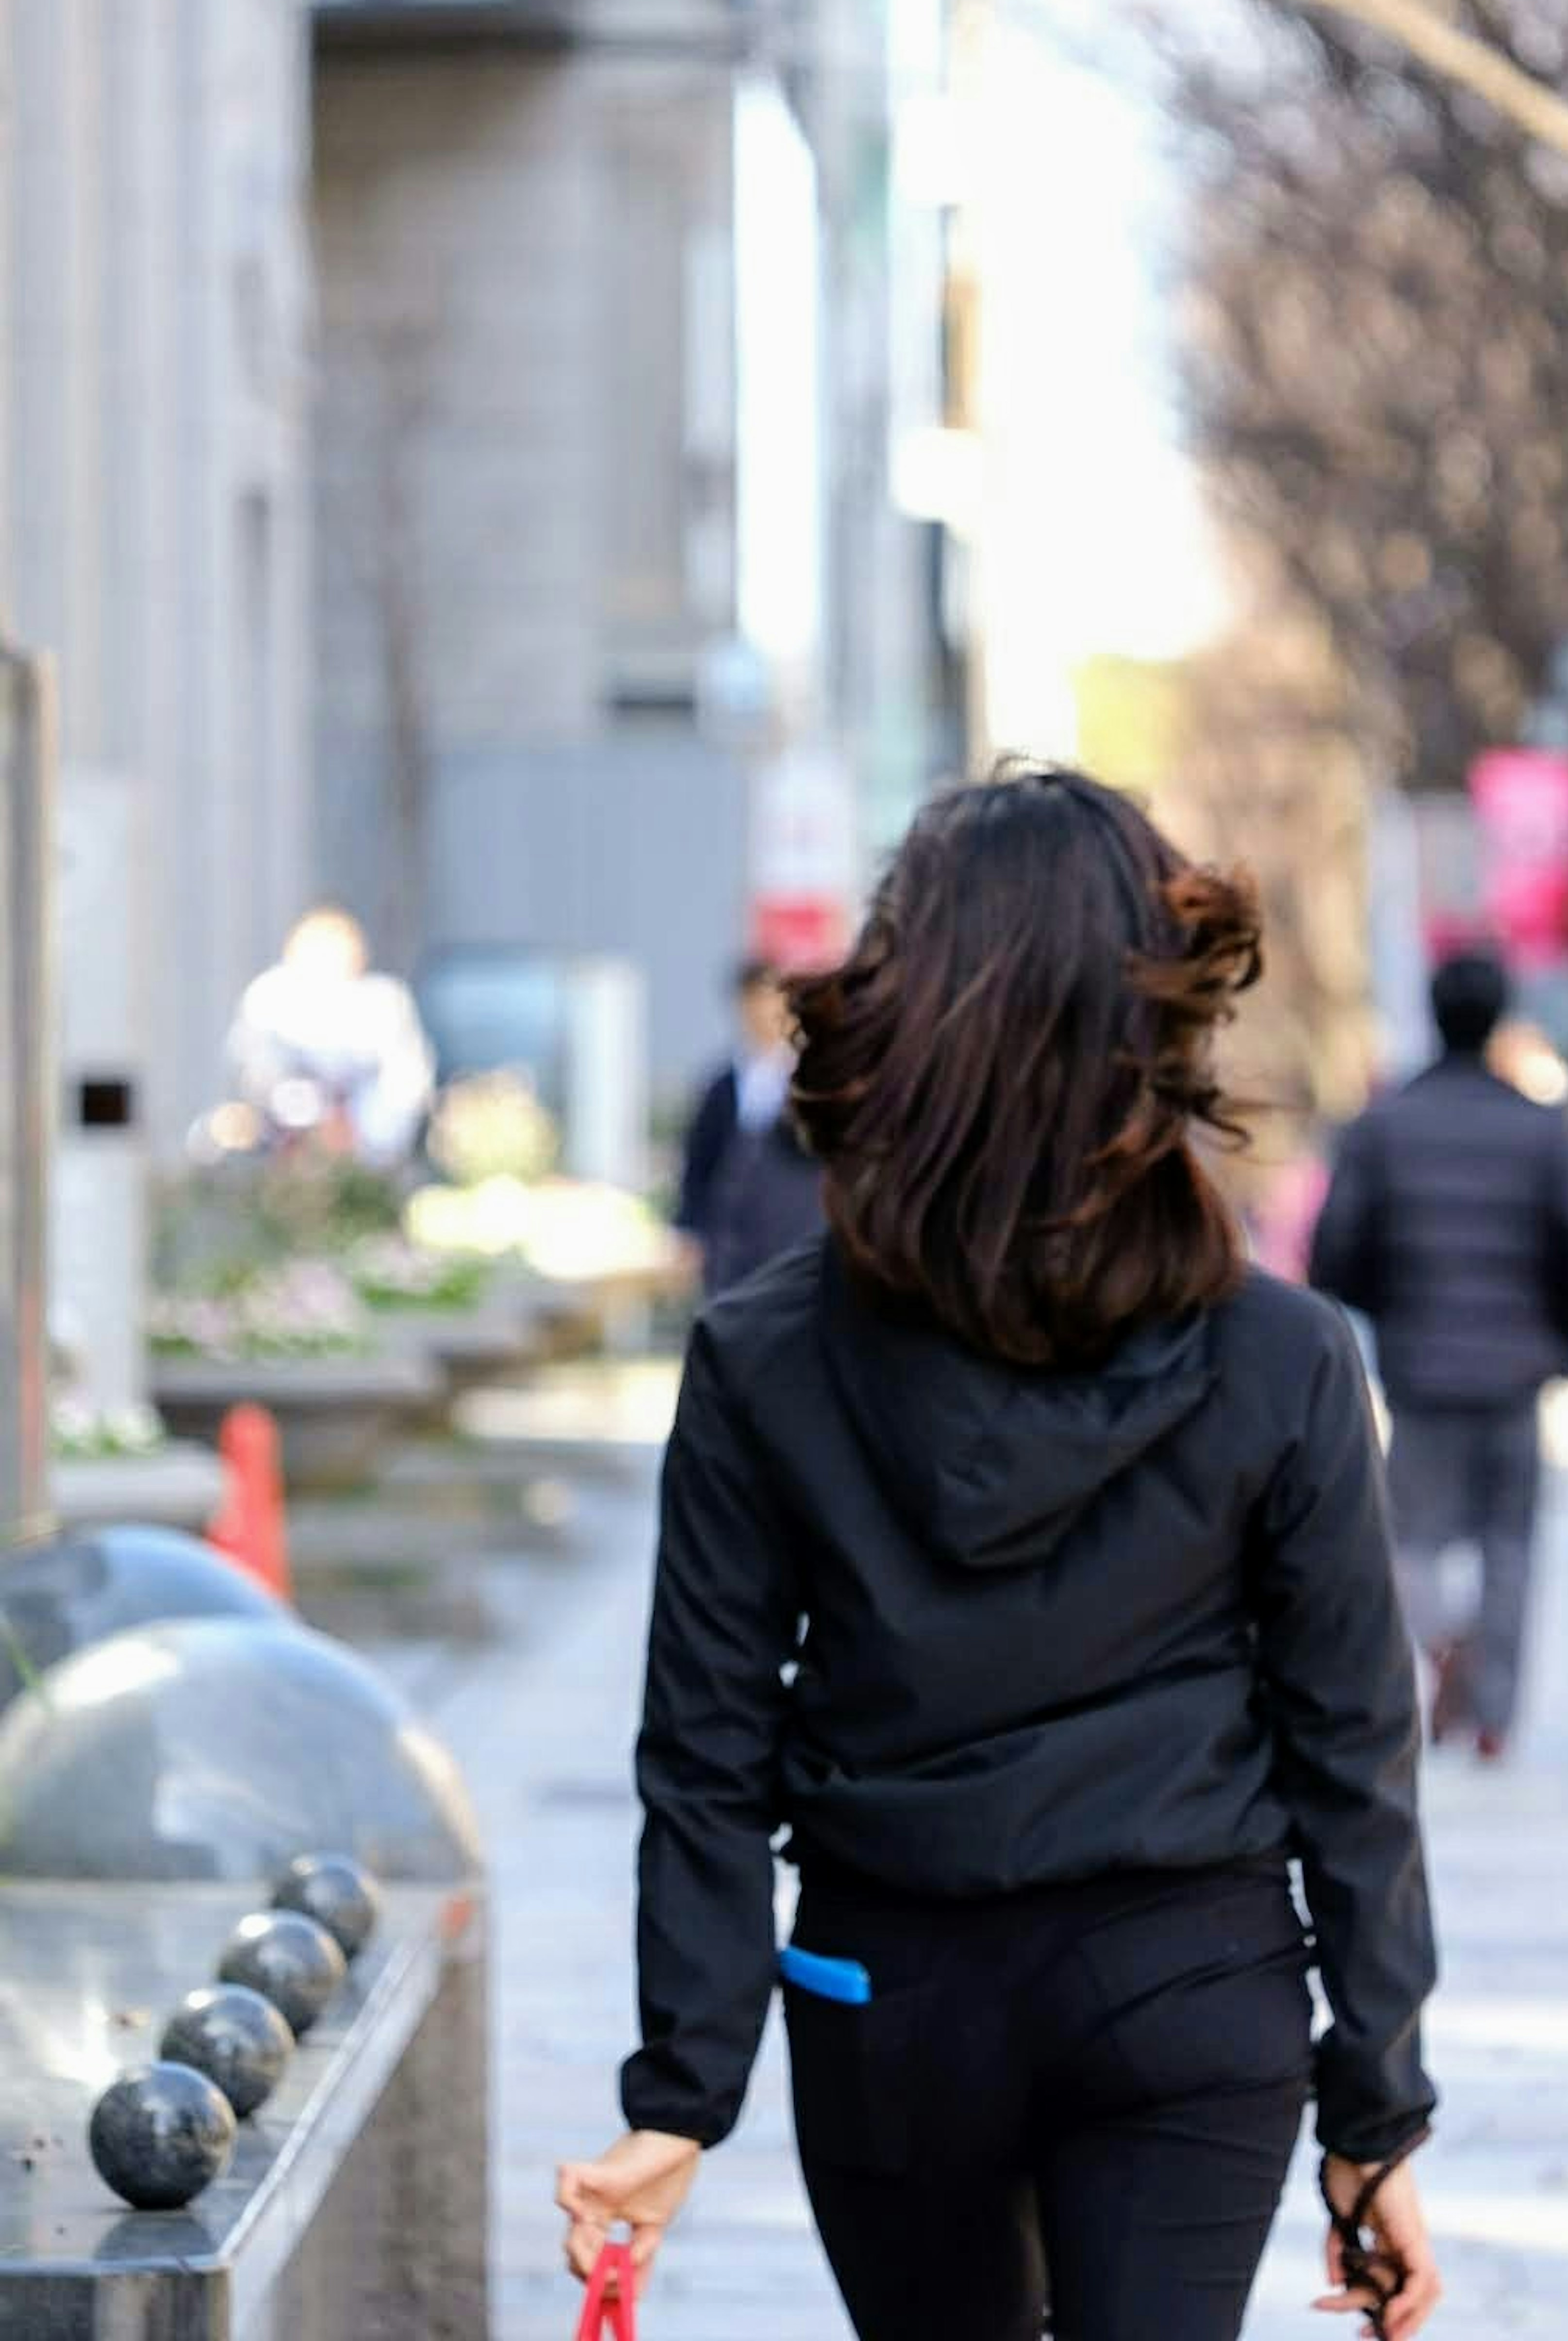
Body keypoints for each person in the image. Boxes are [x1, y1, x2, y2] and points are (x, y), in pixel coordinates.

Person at [555, 769, 1441, 2341]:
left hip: (890, 1993)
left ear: (907, 1002)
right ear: (1157, 1021)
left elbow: (706, 1749)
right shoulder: (1285, 1357)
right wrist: (1374, 2111)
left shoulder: (765, 1354)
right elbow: (1352, 1745)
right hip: (1189, 1984)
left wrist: (681, 2093)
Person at [1309, 950, 1568, 1762]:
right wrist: (1558, 1326)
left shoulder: (1383, 1126)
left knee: (1409, 1539)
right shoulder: (1543, 1129)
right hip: (1518, 1370)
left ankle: (1443, 1646)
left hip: (1419, 1368)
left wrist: (1392, 1307)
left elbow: (1332, 1251)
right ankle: (1495, 1717)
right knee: (1510, 1544)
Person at [227, 906, 433, 1165]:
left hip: (370, 1141)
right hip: (287, 1137)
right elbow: (257, 1070)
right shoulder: (270, 998)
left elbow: (408, 1078)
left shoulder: (385, 1001)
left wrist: (367, 1133)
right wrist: (311, 1118)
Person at [676, 956, 825, 1295]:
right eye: (753, 1004)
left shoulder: (813, 1081)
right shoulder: (722, 1087)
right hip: (731, 1243)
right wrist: (689, 1228)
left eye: (771, 1003)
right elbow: (699, 1162)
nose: (762, 1015)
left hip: (799, 1235)